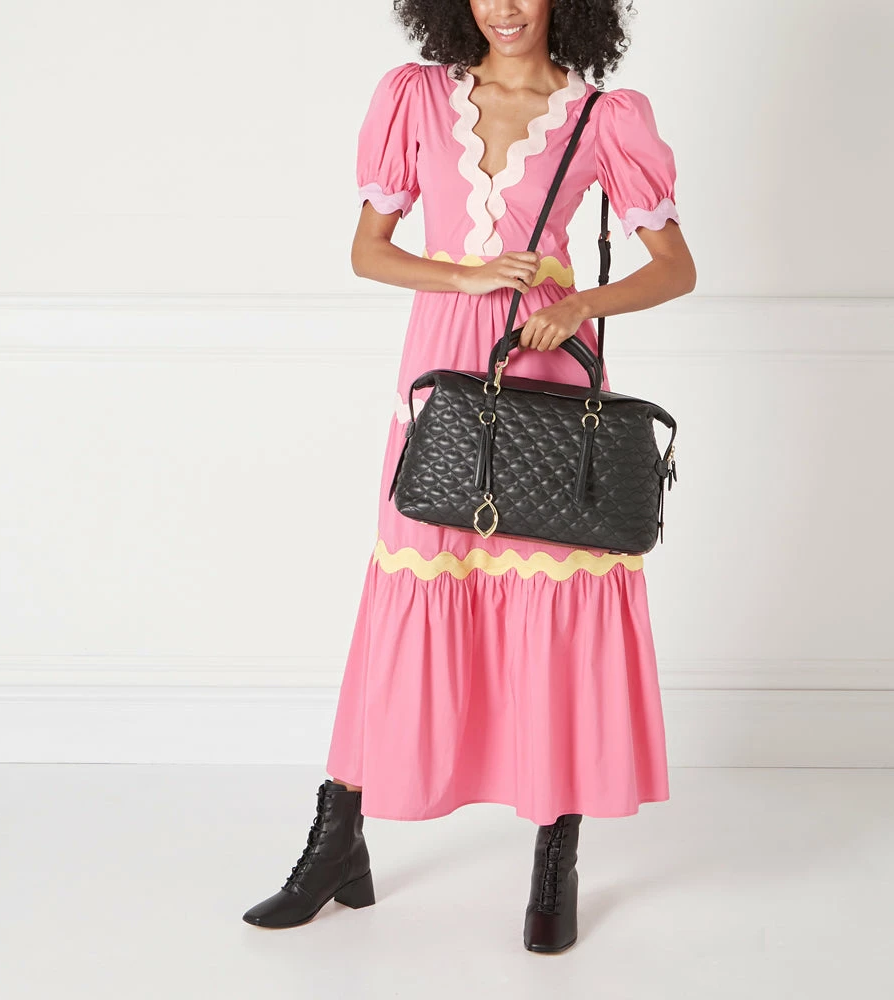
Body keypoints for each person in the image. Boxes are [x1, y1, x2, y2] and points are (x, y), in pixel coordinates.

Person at [243, 0, 696, 953]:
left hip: (548, 370)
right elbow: (368, 251)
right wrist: (467, 278)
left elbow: (674, 268)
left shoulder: (604, 117)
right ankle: (337, 843)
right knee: (412, 582)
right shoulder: (415, 98)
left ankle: (555, 858)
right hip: (443, 374)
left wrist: (577, 303)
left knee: (554, 602)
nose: (504, 6)